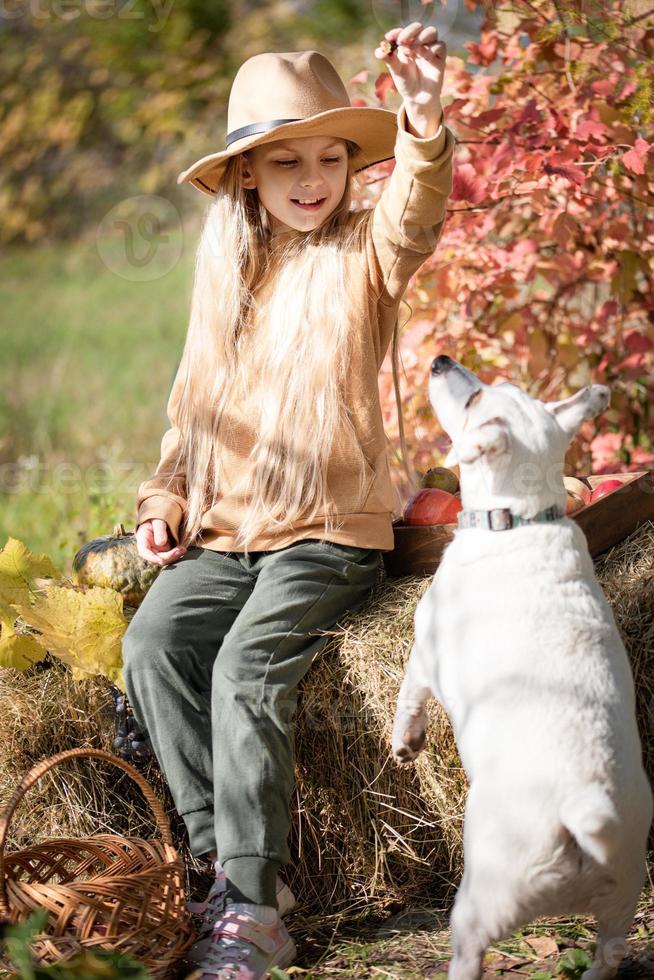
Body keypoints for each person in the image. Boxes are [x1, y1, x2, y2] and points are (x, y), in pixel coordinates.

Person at [122, 20, 454, 980]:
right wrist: (164, 498)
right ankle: (218, 866)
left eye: (331, 158)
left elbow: (416, 213)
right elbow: (190, 413)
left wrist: (423, 117)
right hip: (228, 535)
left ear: (353, 169)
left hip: (325, 533)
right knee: (153, 644)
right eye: (286, 162)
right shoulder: (226, 282)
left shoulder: (364, 257)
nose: (313, 179)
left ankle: (257, 910)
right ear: (246, 178)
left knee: (245, 666)